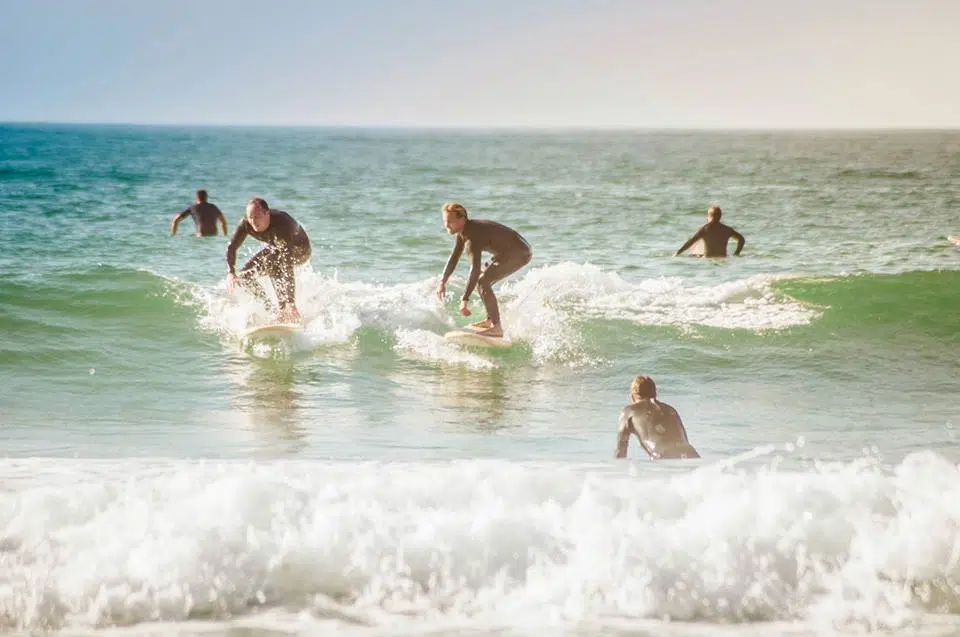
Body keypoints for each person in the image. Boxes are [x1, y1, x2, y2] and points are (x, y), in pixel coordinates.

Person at [435, 202, 532, 338]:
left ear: (462, 219)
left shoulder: (472, 237)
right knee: (482, 277)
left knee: (482, 280)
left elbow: (474, 268)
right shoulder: (464, 232)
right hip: (508, 253)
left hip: (519, 253)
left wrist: (465, 299)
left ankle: (496, 327)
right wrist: (442, 282)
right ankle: (491, 320)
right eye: (445, 221)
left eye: (450, 221)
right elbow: (454, 257)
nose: (446, 225)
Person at [225, 198, 312, 324]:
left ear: (267, 214)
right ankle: (271, 310)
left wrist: (290, 302)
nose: (253, 221)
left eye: (257, 216)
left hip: (300, 250)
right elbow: (231, 247)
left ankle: (285, 309)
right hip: (276, 247)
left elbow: (286, 265)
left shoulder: (283, 223)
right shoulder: (246, 224)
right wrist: (231, 272)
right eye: (250, 217)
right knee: (244, 276)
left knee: (272, 261)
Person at [615, 375, 700, 460]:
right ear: (655, 394)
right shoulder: (671, 410)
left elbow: (621, 450)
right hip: (691, 453)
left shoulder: (628, 411)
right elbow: (684, 439)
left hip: (662, 455)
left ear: (632, 396)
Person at [674, 205, 745, 257]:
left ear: (709, 216)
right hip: (723, 259)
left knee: (693, 256)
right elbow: (741, 239)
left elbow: (691, 241)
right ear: (720, 216)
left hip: (708, 260)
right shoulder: (727, 229)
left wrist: (678, 253)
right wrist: (736, 253)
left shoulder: (704, 229)